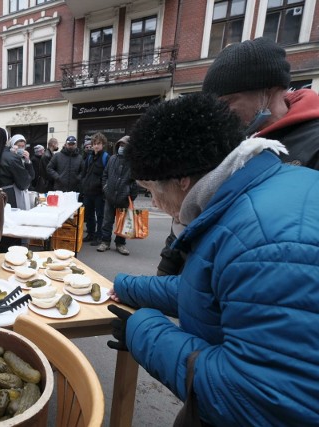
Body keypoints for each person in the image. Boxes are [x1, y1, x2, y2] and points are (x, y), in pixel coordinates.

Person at [107, 92, 319, 426]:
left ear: (182, 181)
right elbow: (212, 291)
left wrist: (142, 329)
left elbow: (253, 397)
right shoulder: (253, 197)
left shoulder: (264, 240)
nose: (156, 203)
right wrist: (127, 286)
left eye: (152, 191)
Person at [156, 37, 319, 276]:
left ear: (269, 90)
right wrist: (165, 273)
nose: (219, 113)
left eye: (228, 101)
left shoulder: (313, 143)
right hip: (207, 282)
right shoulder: (229, 140)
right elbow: (189, 218)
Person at [96, 136, 137, 255]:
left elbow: (135, 182)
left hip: (124, 199)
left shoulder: (132, 162)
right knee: (107, 221)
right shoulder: (112, 158)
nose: (121, 148)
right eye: (120, 145)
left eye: (124, 146)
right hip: (110, 197)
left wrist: (130, 195)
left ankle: (120, 244)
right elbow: (105, 175)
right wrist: (105, 188)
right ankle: (105, 242)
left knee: (123, 223)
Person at [80, 133, 108, 244]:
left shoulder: (106, 157)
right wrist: (83, 186)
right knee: (89, 214)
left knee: (100, 215)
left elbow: (108, 175)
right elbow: (85, 173)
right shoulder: (90, 157)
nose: (96, 146)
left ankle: (99, 236)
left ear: (103, 144)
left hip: (99, 193)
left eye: (99, 144)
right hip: (88, 191)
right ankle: (91, 234)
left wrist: (104, 190)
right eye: (94, 144)